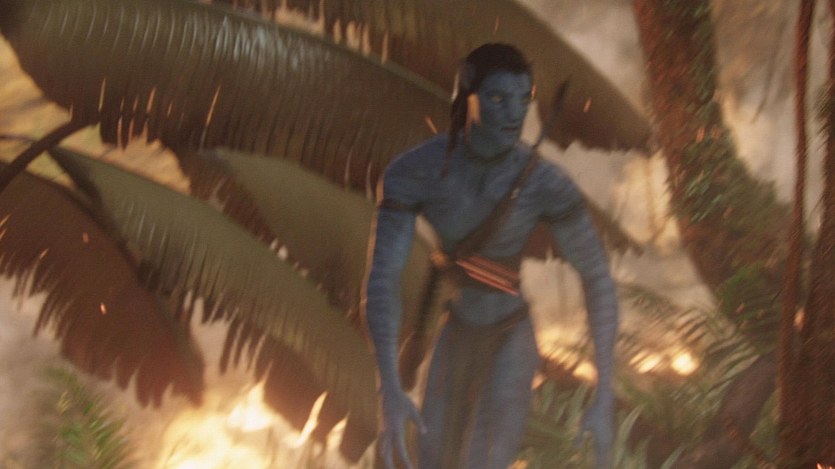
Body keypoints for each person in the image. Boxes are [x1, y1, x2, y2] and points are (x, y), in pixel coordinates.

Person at [364, 43, 619, 469]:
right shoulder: (415, 172)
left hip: (511, 337)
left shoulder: (545, 184)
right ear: (469, 92)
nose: (514, 113)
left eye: (523, 99)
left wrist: (604, 393)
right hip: (456, 333)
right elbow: (383, 279)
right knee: (432, 459)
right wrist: (388, 388)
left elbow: (596, 276)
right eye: (498, 98)